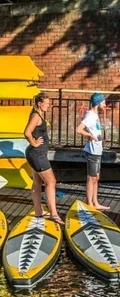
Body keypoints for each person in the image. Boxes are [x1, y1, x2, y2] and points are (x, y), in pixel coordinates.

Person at [24, 93, 62, 224]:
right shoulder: (35, 116)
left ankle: (39, 212)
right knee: (51, 182)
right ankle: (54, 214)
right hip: (37, 154)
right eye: (46, 103)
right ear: (40, 103)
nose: (48, 105)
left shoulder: (37, 114)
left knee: (37, 183)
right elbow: (27, 132)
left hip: (37, 154)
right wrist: (34, 143)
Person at [76, 93, 109, 211]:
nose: (105, 104)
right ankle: (89, 203)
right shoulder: (90, 116)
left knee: (96, 177)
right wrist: (90, 135)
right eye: (103, 102)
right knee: (91, 177)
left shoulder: (94, 115)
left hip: (98, 149)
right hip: (92, 151)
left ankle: (95, 202)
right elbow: (79, 129)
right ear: (98, 103)